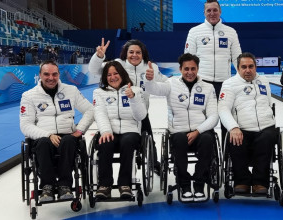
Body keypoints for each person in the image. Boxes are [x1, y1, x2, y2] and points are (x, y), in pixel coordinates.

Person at [145, 53, 219, 201]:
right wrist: (149, 80)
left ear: (198, 69)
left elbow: (214, 116)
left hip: (201, 132)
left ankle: (199, 184)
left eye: (193, 68)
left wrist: (197, 131)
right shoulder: (171, 84)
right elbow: (154, 90)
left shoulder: (208, 87)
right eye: (186, 69)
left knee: (207, 140)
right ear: (180, 69)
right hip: (178, 131)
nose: (190, 72)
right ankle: (184, 184)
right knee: (178, 139)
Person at [89, 38, 167, 174]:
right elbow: (95, 71)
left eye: (138, 52)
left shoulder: (150, 67)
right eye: (131, 52)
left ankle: (154, 163)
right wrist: (99, 57)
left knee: (148, 136)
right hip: (118, 111)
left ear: (143, 54)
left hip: (140, 111)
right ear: (126, 53)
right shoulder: (118, 64)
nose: (134, 55)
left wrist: (153, 80)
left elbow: (166, 84)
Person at [19, 60, 94, 202]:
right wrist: (48, 135)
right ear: (40, 75)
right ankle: (47, 186)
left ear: (59, 75)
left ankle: (65, 185)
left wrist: (80, 130)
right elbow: (25, 125)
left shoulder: (71, 91)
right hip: (43, 137)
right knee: (43, 143)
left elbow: (90, 110)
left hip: (67, 136)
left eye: (54, 74)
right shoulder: (29, 96)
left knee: (69, 140)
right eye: (46, 74)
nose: (51, 78)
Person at [218, 52, 277, 195]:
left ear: (255, 67)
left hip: (265, 126)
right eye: (243, 67)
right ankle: (242, 181)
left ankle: (260, 183)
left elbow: (269, 103)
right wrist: (233, 127)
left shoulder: (264, 81)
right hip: (241, 127)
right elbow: (223, 108)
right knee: (236, 139)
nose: (248, 70)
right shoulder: (229, 84)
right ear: (238, 68)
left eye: (251, 66)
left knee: (267, 138)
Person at [184, 0, 241, 146]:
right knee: (203, 121)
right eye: (209, 10)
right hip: (202, 84)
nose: (212, 13)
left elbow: (237, 58)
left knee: (227, 120)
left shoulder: (230, 32)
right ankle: (206, 159)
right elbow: (188, 59)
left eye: (215, 10)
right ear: (204, 13)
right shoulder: (194, 31)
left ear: (220, 12)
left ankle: (228, 155)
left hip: (225, 84)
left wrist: (242, 79)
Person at [93, 61, 147, 199]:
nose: (113, 77)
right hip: (109, 130)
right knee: (105, 143)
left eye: (116, 73)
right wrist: (105, 131)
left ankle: (125, 184)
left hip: (130, 130)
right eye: (109, 74)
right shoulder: (99, 92)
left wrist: (133, 98)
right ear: (105, 77)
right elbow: (100, 113)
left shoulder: (136, 90)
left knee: (128, 142)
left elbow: (141, 116)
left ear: (122, 74)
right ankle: (104, 185)